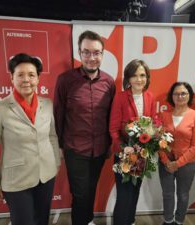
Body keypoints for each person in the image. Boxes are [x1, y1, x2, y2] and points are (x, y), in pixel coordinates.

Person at [0, 53, 61, 225]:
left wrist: (55, 161)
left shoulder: (46, 104)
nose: (26, 79)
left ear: (38, 78)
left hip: (46, 175)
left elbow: (52, 136)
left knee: (42, 220)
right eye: (20, 75)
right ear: (11, 78)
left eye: (31, 75)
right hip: (16, 180)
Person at [53, 30, 115, 225]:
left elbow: (111, 116)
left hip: (100, 149)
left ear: (102, 54)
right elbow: (58, 114)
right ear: (79, 53)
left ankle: (87, 220)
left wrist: (110, 144)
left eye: (96, 52)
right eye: (86, 52)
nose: (91, 57)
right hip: (75, 149)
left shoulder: (108, 82)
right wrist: (60, 146)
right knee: (80, 194)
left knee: (90, 190)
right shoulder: (65, 80)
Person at [109, 59, 156, 225]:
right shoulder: (120, 98)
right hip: (124, 154)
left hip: (142, 154)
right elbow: (113, 129)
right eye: (134, 75)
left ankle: (130, 221)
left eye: (142, 75)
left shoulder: (150, 96)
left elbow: (152, 123)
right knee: (124, 194)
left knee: (135, 191)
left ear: (147, 77)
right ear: (128, 78)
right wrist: (124, 148)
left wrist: (151, 140)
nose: (139, 79)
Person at [158, 82, 195, 225]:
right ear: (172, 96)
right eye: (176, 93)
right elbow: (158, 141)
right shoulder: (163, 115)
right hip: (165, 162)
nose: (180, 96)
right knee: (167, 194)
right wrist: (166, 161)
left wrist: (177, 163)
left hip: (187, 164)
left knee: (183, 195)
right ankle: (168, 220)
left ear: (189, 95)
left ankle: (179, 221)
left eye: (183, 93)